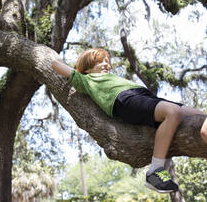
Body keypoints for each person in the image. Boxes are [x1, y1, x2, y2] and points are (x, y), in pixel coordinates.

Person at [51, 48, 207, 193]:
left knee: (197, 115)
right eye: (99, 61)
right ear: (87, 69)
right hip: (124, 100)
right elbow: (57, 66)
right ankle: (155, 171)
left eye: (107, 60)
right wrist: (63, 65)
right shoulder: (85, 80)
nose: (106, 63)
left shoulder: (112, 77)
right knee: (173, 112)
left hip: (145, 96)